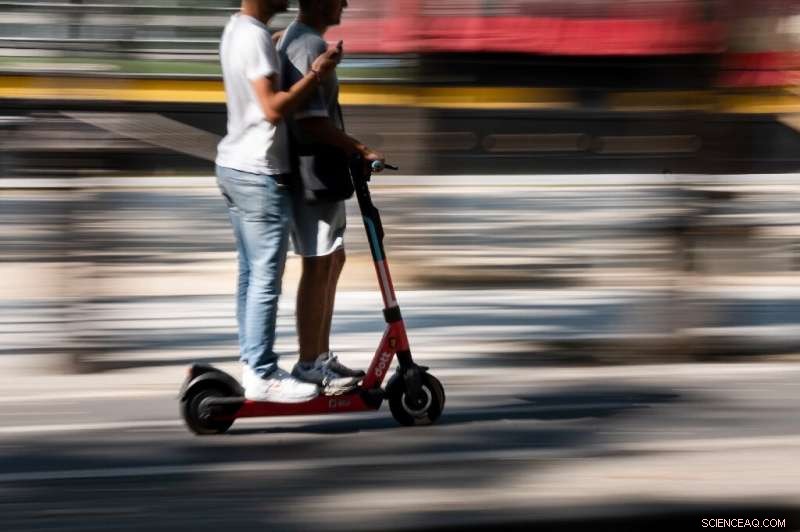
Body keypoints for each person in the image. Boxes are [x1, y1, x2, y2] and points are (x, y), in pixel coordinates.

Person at [215, 0, 343, 402]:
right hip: (258, 171)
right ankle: (263, 373)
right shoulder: (253, 36)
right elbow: (272, 110)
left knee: (250, 277)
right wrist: (317, 73)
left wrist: (278, 44)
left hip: (233, 164)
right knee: (265, 279)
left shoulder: (237, 29)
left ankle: (252, 363)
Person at [277, 0, 385, 393]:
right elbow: (312, 123)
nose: (345, 3)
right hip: (312, 171)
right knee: (318, 262)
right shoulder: (306, 45)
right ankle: (308, 362)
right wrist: (360, 148)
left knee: (332, 259)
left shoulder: (302, 39)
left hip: (321, 170)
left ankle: (319, 357)